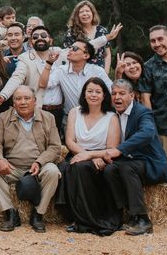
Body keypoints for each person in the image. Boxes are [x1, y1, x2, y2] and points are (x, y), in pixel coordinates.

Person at [0, 86, 62, 233]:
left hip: (38, 168)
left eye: (27, 98)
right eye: (18, 99)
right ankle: (10, 213)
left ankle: (38, 214)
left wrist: (39, 162)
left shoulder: (48, 118)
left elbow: (55, 147)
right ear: (13, 103)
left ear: (34, 101)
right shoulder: (4, 117)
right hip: (12, 168)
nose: (23, 102)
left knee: (53, 171)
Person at [103, 79, 167, 235]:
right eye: (114, 94)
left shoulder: (142, 112)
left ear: (132, 96)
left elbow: (147, 133)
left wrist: (120, 149)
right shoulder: (112, 114)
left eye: (122, 93)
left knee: (127, 168)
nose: (117, 97)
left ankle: (143, 220)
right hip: (130, 160)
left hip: (149, 162)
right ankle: (127, 215)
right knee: (109, 170)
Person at [57, 78, 121, 235]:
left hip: (103, 156)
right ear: (84, 94)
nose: (94, 95)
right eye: (90, 91)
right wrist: (86, 156)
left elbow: (112, 148)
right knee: (73, 166)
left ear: (104, 95)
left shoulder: (111, 117)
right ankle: (79, 218)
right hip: (77, 153)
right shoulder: (74, 112)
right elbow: (69, 141)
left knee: (82, 167)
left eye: (98, 92)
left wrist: (91, 156)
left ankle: (89, 219)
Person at [138, 25, 167, 172]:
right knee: (158, 170)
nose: (157, 44)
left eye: (160, 39)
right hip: (162, 129)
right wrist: (150, 126)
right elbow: (145, 98)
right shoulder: (148, 67)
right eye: (153, 41)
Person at [39, 39, 112, 116]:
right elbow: (43, 84)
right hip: (70, 118)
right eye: (70, 47)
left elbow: (111, 91)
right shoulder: (61, 70)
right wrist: (49, 63)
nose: (70, 50)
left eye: (75, 48)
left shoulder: (98, 71)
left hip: (95, 117)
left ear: (86, 55)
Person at [63, 0, 112, 71]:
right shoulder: (71, 33)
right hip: (80, 74)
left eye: (87, 11)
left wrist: (106, 72)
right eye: (81, 12)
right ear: (77, 16)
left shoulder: (102, 30)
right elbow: (68, 56)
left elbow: (107, 54)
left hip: (100, 74)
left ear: (93, 13)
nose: (85, 14)